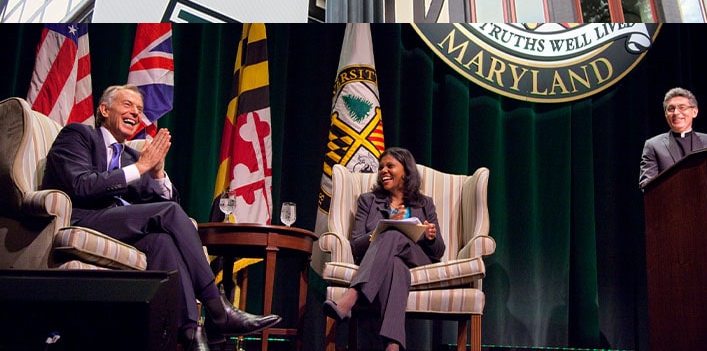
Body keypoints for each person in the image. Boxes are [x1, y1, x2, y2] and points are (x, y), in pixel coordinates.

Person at [42, 84, 281, 351]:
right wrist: (140, 168)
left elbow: (169, 208)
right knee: (165, 217)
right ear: (104, 109)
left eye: (140, 109)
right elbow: (80, 185)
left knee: (162, 241)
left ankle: (189, 332)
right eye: (127, 105)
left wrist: (156, 174)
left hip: (121, 227)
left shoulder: (133, 156)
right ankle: (217, 308)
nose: (135, 112)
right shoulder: (79, 135)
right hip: (84, 218)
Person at [323, 147, 445, 351]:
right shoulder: (368, 201)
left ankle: (351, 296)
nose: (383, 171)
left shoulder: (425, 203)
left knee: (393, 234)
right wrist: (382, 227)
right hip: (387, 262)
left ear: (405, 171)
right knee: (396, 265)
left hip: (417, 258)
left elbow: (439, 251)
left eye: (390, 166)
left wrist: (430, 237)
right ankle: (393, 344)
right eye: (381, 167)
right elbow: (355, 245)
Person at [639, 87, 707, 188]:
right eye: (671, 109)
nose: (676, 113)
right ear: (665, 114)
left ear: (694, 112)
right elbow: (647, 185)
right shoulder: (653, 145)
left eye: (682, 107)